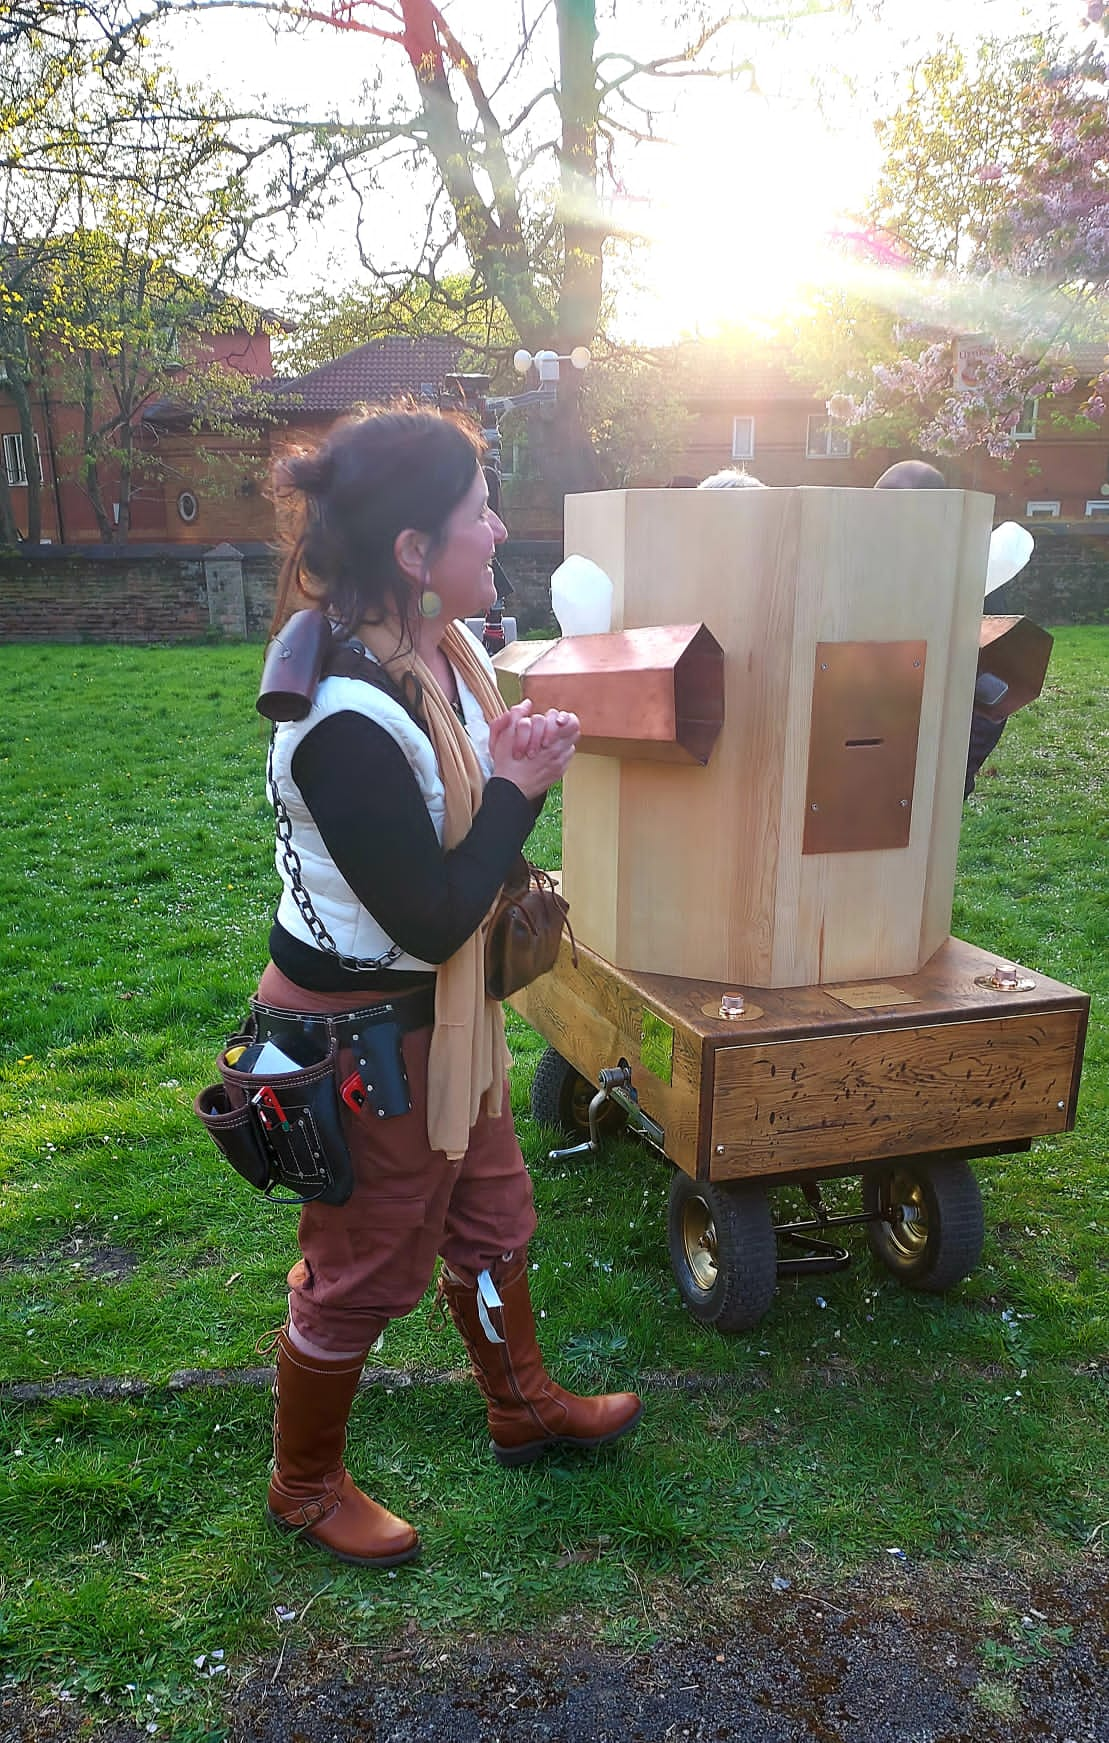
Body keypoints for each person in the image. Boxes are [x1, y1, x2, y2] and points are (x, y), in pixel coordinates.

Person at [256, 408, 642, 1568]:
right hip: (365, 1035)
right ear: (414, 552)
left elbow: (455, 831)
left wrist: (508, 745)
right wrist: (521, 785)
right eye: (478, 508)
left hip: (452, 1017)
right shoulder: (337, 715)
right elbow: (426, 914)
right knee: (365, 1265)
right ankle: (303, 1485)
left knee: (489, 1214)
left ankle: (519, 1403)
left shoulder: (446, 649)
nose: (499, 526)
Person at [874, 459, 1006, 797]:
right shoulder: (857, 571)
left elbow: (994, 690)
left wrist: (954, 775)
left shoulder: (971, 585)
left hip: (929, 776)